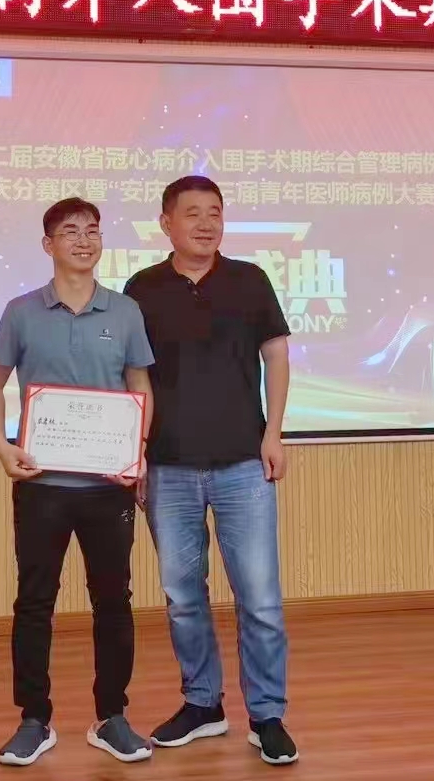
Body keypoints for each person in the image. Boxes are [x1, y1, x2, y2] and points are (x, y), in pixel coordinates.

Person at [124, 175, 299, 767]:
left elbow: (276, 355)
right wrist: (134, 453)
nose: (206, 223)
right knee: (182, 596)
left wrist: (273, 433)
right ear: (166, 222)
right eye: (193, 212)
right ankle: (203, 704)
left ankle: (267, 715)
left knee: (261, 598)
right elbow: (134, 376)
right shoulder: (142, 288)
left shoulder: (249, 279)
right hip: (168, 466)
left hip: (243, 462)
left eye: (215, 212)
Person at [0, 197, 156, 767]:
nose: (84, 240)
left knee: (114, 600)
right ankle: (34, 720)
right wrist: (2, 446)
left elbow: (140, 386)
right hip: (42, 485)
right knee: (35, 601)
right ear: (48, 244)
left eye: (93, 230)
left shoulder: (125, 311)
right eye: (71, 231)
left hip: (108, 486)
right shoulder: (22, 311)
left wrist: (137, 451)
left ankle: (112, 717)